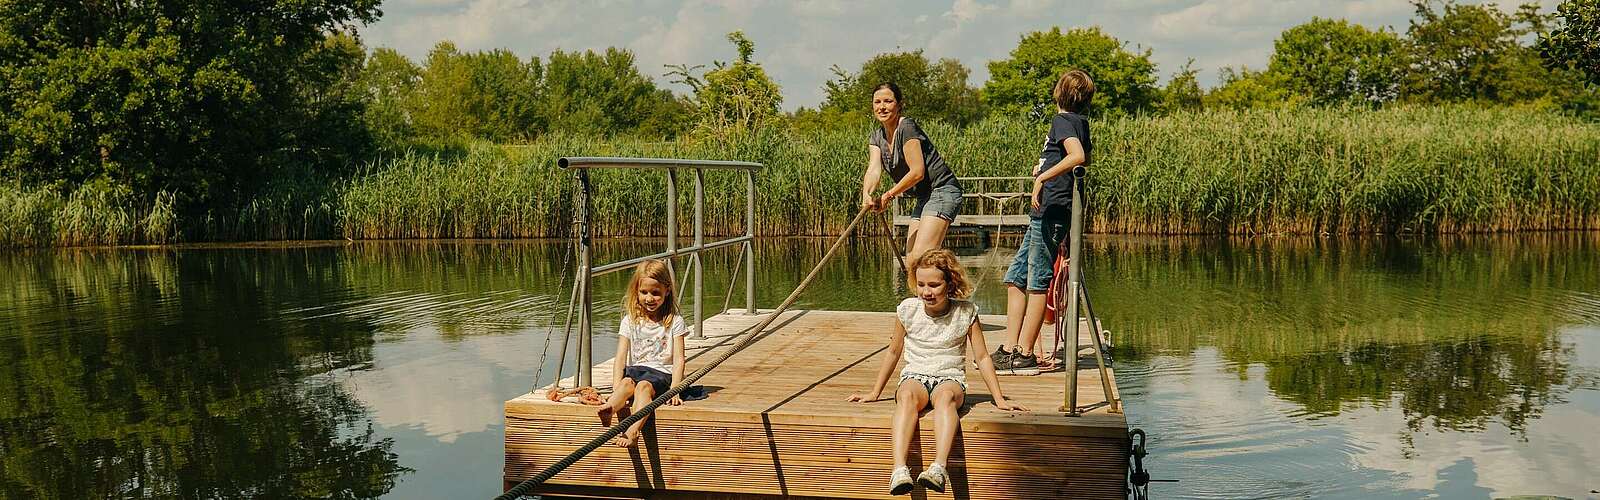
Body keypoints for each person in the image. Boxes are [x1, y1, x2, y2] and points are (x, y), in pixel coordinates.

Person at [847, 249, 1026, 495]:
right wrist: (875, 392)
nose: (926, 291)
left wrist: (999, 398)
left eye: (934, 284)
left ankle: (938, 468)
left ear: (950, 283)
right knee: (907, 397)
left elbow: (983, 357)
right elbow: (893, 351)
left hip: (949, 377)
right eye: (921, 284)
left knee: (945, 398)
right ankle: (899, 469)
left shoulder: (966, 312)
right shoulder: (908, 310)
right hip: (915, 375)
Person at [992, 69, 1095, 376]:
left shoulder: (1063, 120)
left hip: (1050, 210)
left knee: (1037, 281)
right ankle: (1011, 348)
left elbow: (1076, 156)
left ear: (1059, 92)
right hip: (1048, 211)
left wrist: (1042, 177)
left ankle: (1024, 355)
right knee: (1015, 279)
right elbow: (1085, 157)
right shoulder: (1079, 122)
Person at [859, 82, 964, 273]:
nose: (881, 106)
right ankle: (924, 301)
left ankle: (947, 292)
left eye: (888, 101)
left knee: (921, 258)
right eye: (877, 102)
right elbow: (874, 169)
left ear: (899, 105)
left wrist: (888, 195)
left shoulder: (906, 127)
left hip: (942, 190)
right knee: (912, 262)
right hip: (924, 197)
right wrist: (867, 194)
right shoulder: (876, 137)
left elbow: (917, 172)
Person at [596, 259, 689, 448]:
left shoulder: (674, 321)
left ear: (667, 291)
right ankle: (610, 408)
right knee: (626, 383)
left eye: (656, 293)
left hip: (661, 374)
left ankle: (632, 431)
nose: (649, 298)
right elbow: (621, 357)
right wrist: (615, 386)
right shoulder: (629, 321)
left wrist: (675, 388)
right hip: (637, 370)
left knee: (643, 387)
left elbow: (679, 359)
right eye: (644, 292)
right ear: (636, 291)